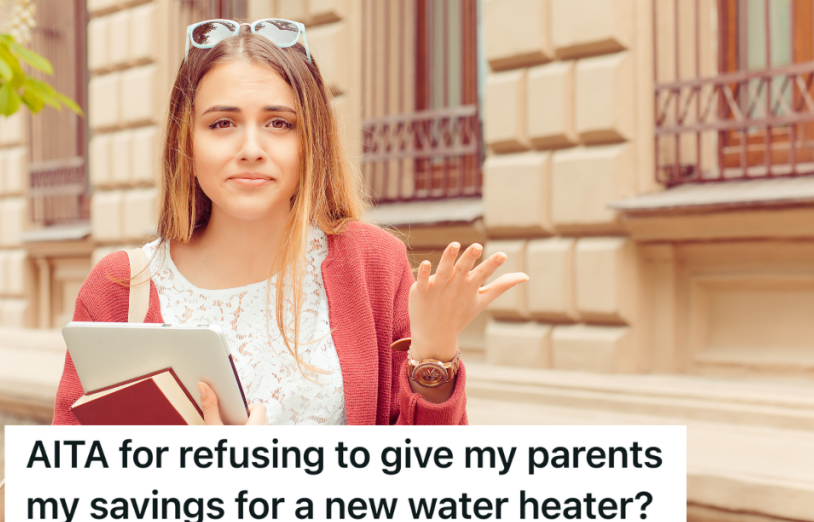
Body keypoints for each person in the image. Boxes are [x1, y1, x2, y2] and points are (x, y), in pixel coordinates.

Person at [52, 19, 528, 427]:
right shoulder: (119, 288)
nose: (251, 147)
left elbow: (436, 487)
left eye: (279, 123)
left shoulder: (373, 266)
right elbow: (74, 490)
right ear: (187, 142)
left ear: (310, 142)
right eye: (222, 124)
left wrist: (436, 353)